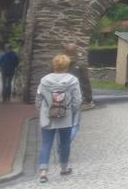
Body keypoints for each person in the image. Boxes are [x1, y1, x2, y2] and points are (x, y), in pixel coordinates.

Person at [36, 54, 82, 183]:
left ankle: (43, 172)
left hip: (47, 118)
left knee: (46, 143)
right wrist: (70, 111)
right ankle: (63, 168)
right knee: (65, 143)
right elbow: (77, 100)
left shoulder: (44, 80)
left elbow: (38, 99)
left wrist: (43, 111)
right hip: (65, 117)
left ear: (54, 65)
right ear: (67, 66)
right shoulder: (73, 80)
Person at [64, 43, 94, 109]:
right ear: (76, 53)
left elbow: (85, 82)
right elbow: (85, 82)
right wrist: (88, 99)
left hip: (62, 98)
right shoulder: (80, 65)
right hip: (76, 97)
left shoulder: (59, 64)